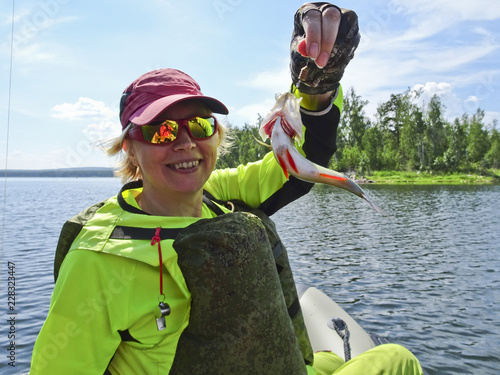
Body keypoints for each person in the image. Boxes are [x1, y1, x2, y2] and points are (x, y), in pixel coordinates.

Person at [30, 3, 424, 374]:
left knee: (377, 357)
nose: (184, 143)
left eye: (199, 126)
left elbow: (302, 162)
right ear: (130, 146)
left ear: (216, 136)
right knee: (398, 359)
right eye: (161, 130)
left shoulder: (219, 194)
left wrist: (316, 84)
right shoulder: (96, 262)